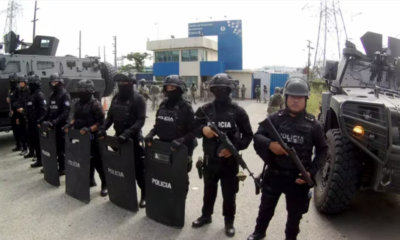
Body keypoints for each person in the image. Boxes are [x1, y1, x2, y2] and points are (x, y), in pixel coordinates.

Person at [247, 78, 328, 240]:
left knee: (294, 216)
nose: (295, 101)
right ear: (286, 98)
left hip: (298, 180)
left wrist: (311, 173)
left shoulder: (314, 125)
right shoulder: (275, 118)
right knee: (265, 208)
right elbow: (257, 136)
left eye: (300, 98)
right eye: (292, 97)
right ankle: (259, 232)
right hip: (274, 175)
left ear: (306, 99)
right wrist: (270, 145)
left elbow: (323, 151)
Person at [192, 73, 254, 237]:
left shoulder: (238, 111)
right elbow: (192, 128)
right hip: (210, 160)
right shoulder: (204, 110)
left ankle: (229, 221)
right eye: (216, 89)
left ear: (229, 90)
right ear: (212, 90)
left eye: (223, 89)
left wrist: (234, 147)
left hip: (229, 162)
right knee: (208, 191)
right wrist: (203, 130)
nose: (220, 92)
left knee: (229, 193)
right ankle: (206, 216)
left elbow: (248, 136)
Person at [98, 73, 147, 208]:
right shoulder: (116, 98)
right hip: (118, 137)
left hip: (133, 138)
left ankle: (144, 194)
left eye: (124, 83)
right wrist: (102, 128)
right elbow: (110, 117)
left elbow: (141, 120)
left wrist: (129, 132)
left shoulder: (139, 98)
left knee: (138, 169)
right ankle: (123, 191)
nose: (121, 86)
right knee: (120, 166)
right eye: (119, 83)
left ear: (131, 83)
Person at [145, 75, 196, 193]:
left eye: (172, 87)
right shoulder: (163, 104)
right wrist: (151, 134)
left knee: (180, 177)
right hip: (164, 147)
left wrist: (181, 140)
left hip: (181, 148)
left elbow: (194, 131)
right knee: (164, 175)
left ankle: (180, 202)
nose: (169, 90)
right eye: (167, 87)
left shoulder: (186, 107)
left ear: (180, 88)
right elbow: (157, 126)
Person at [63, 79, 108, 197]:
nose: (80, 93)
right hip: (82, 138)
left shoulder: (96, 104)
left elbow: (101, 121)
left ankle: (105, 184)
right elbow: (76, 118)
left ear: (89, 91)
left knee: (98, 161)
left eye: (82, 91)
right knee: (87, 160)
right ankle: (90, 180)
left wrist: (90, 129)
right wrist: (70, 124)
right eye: (79, 91)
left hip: (94, 137)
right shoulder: (78, 104)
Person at [38, 73, 71, 175]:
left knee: (61, 148)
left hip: (61, 125)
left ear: (60, 82)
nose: (54, 84)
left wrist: (55, 122)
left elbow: (65, 113)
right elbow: (48, 111)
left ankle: (63, 168)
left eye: (56, 82)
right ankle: (53, 165)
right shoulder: (52, 95)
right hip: (52, 126)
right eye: (52, 82)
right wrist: (41, 119)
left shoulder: (65, 95)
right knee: (53, 147)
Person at [26, 74, 47, 168]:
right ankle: (39, 160)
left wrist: (40, 122)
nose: (29, 86)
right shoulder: (32, 94)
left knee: (39, 143)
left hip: (37, 123)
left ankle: (42, 160)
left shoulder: (39, 94)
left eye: (31, 84)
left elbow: (43, 110)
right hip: (31, 122)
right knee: (34, 142)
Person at [14, 75, 30, 157]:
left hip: (26, 114)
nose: (20, 83)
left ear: (25, 82)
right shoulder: (20, 91)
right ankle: (24, 148)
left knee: (28, 134)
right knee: (22, 133)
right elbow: (18, 102)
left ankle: (30, 150)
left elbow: (29, 105)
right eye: (19, 82)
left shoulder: (28, 91)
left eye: (22, 82)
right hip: (20, 115)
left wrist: (23, 110)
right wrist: (17, 116)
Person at [7, 73, 23, 152]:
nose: (11, 82)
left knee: (19, 129)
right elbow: (11, 98)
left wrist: (14, 108)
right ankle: (18, 144)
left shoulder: (18, 89)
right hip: (12, 111)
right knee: (15, 129)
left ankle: (22, 145)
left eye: (13, 80)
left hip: (17, 112)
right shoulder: (11, 89)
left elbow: (19, 100)